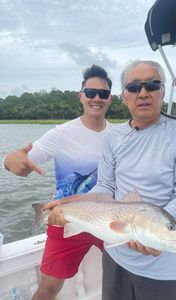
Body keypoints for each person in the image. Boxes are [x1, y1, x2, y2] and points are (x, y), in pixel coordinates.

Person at [48, 60, 176, 300]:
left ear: (162, 91)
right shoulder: (113, 136)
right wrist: (69, 204)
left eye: (152, 85)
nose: (143, 93)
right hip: (116, 255)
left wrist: (154, 229)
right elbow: (105, 187)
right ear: (124, 96)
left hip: (164, 265)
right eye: (134, 87)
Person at [3, 64, 113, 300]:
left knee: (123, 276)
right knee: (49, 287)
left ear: (110, 99)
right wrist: (10, 160)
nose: (96, 98)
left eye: (102, 94)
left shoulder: (118, 136)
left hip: (107, 219)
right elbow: (22, 159)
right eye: (90, 92)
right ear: (80, 96)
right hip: (63, 217)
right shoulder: (60, 133)